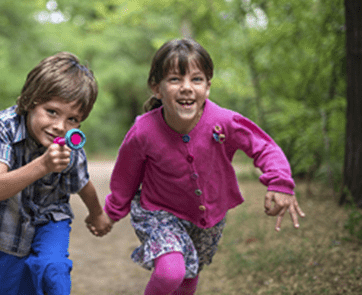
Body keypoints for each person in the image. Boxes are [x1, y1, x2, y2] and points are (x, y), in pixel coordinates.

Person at [103, 38, 306, 295]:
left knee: (188, 279)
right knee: (170, 273)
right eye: (175, 79)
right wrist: (111, 213)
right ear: (157, 88)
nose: (187, 87)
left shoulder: (224, 121)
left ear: (207, 87)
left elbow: (264, 147)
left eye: (196, 79)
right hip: (159, 213)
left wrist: (280, 182)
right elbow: (126, 176)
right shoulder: (143, 130)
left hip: (208, 219)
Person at [0, 52, 113, 295]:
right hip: (9, 225)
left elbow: (83, 183)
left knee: (54, 271)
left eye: (72, 119)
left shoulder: (69, 144)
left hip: (52, 219)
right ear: (31, 101)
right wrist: (44, 165)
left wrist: (97, 214)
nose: (60, 126)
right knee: (18, 289)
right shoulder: (3, 126)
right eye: (52, 111)